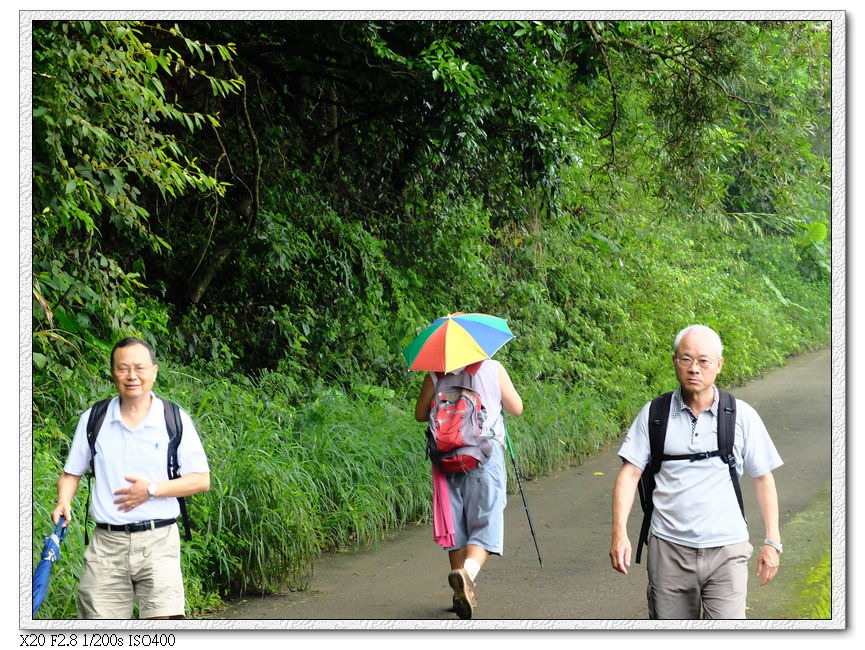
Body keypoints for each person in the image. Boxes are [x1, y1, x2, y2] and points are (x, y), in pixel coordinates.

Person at [609, 324, 783, 619]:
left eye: (703, 360)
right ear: (674, 361)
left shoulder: (741, 416)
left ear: (718, 365)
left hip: (727, 549)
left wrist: (772, 541)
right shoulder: (654, 414)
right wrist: (619, 533)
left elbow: (763, 477)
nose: (694, 368)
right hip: (668, 549)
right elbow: (629, 475)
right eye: (685, 359)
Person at [52, 337, 210, 619]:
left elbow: (200, 479)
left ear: (154, 371)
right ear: (113, 373)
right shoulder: (94, 419)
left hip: (159, 541)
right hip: (106, 545)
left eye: (140, 367)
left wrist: (151, 490)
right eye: (123, 368)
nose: (132, 375)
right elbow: (70, 473)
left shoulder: (173, 418)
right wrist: (64, 500)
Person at [414, 358, 523, 619]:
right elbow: (517, 408)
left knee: (456, 527)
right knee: (486, 524)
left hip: (446, 459)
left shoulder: (435, 372)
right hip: (484, 455)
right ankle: (467, 574)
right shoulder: (492, 367)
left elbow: (419, 414)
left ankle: (459, 594)